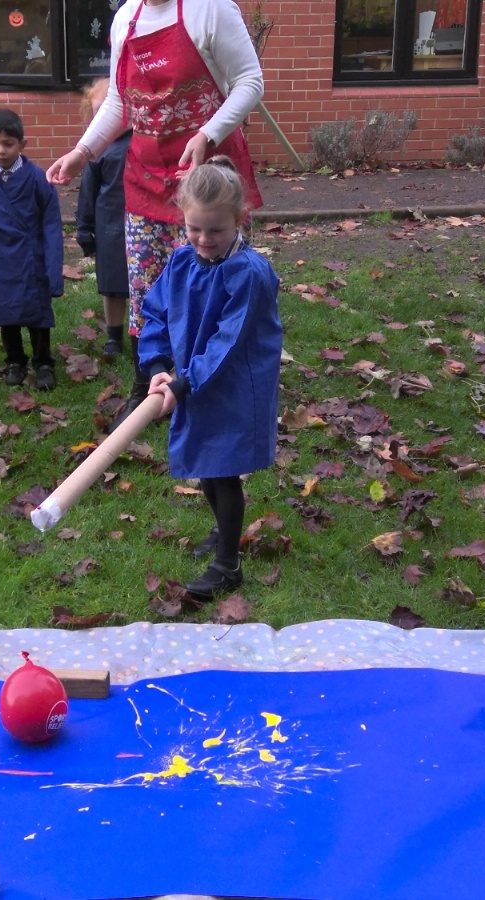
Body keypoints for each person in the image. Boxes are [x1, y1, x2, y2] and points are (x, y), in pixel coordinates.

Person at [47, 0, 265, 419]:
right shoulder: (126, 18)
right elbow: (119, 102)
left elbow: (249, 81)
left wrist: (208, 133)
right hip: (145, 179)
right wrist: (83, 151)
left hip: (207, 183)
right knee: (147, 289)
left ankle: (217, 380)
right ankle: (147, 380)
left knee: (218, 286)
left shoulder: (212, 9)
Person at [138, 156, 280, 600]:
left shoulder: (248, 273)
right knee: (205, 464)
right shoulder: (183, 261)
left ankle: (227, 565)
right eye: (193, 228)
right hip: (195, 381)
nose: (203, 239)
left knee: (224, 470)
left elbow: (227, 341)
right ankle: (224, 532)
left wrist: (185, 382)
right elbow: (156, 313)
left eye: (215, 230)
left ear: (239, 219)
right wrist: (157, 365)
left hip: (236, 385)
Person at [0, 109, 63, 390]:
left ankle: (43, 361)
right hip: (0, 257)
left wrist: (53, 269)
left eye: (8, 144)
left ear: (22, 144)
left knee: (37, 312)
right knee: (6, 311)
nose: (1, 151)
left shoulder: (37, 178)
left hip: (32, 255)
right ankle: (14, 360)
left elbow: (51, 224)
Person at [74, 79, 131, 362]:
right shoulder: (97, 152)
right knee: (113, 284)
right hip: (110, 227)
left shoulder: (143, 143)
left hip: (144, 224)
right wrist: (84, 229)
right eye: (98, 115)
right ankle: (114, 334)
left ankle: (147, 331)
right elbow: (88, 193)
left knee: (146, 281)